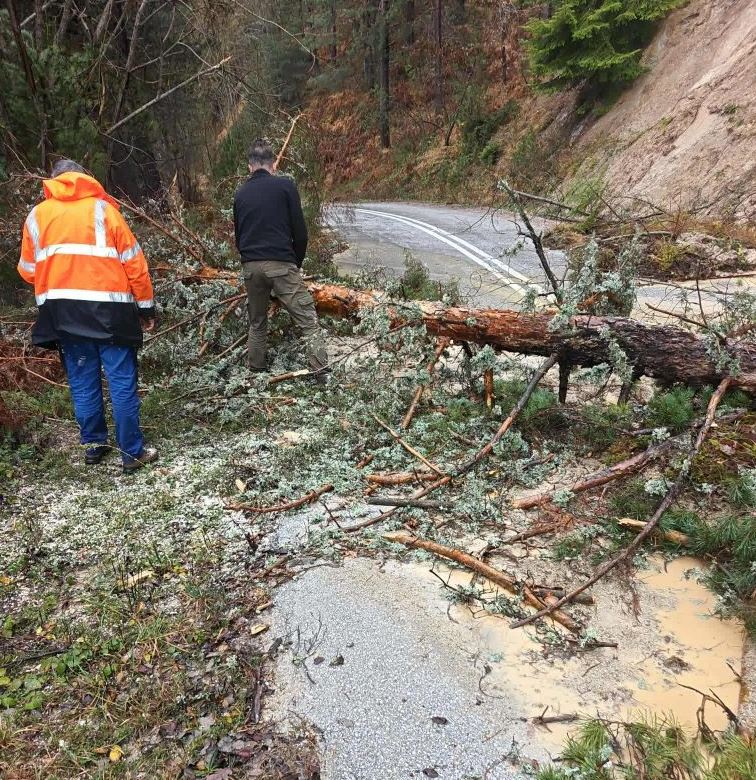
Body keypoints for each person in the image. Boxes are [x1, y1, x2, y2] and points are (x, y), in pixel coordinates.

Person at [16, 159, 158, 474]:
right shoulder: (104, 211)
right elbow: (134, 263)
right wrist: (146, 306)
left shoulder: (37, 217)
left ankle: (94, 446)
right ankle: (131, 453)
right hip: (111, 313)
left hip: (63, 313)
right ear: (84, 178)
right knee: (121, 381)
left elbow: (27, 271)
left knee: (82, 381)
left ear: (54, 180)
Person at [233, 138, 328, 377]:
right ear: (273, 164)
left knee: (257, 323)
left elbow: (239, 238)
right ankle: (321, 373)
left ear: (250, 167)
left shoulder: (240, 194)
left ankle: (256, 372)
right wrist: (293, 265)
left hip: (251, 268)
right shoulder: (286, 187)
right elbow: (301, 234)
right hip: (281, 263)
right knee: (308, 321)